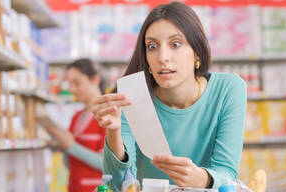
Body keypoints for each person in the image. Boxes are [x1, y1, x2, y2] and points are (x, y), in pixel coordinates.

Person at [91, 2, 247, 189]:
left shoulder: (228, 89)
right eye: (152, 46)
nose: (162, 57)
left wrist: (202, 178)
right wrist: (113, 131)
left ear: (197, 53)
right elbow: (119, 181)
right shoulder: (132, 95)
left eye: (175, 44)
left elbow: (227, 174)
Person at [44, 58, 106, 192]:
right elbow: (69, 164)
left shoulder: (108, 115)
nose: (72, 89)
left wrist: (71, 146)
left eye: (76, 83)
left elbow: (107, 164)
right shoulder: (76, 117)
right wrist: (62, 144)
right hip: (74, 187)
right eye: (69, 84)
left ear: (95, 80)